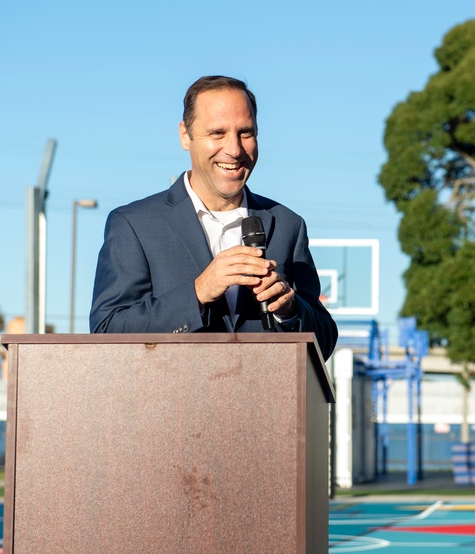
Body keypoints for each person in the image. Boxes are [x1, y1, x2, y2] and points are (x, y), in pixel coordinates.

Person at [90, 75, 337, 360]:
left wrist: (290, 311)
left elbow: (325, 342)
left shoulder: (287, 225)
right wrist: (197, 293)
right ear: (185, 135)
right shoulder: (134, 224)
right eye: (217, 133)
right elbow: (107, 333)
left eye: (245, 133)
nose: (234, 149)